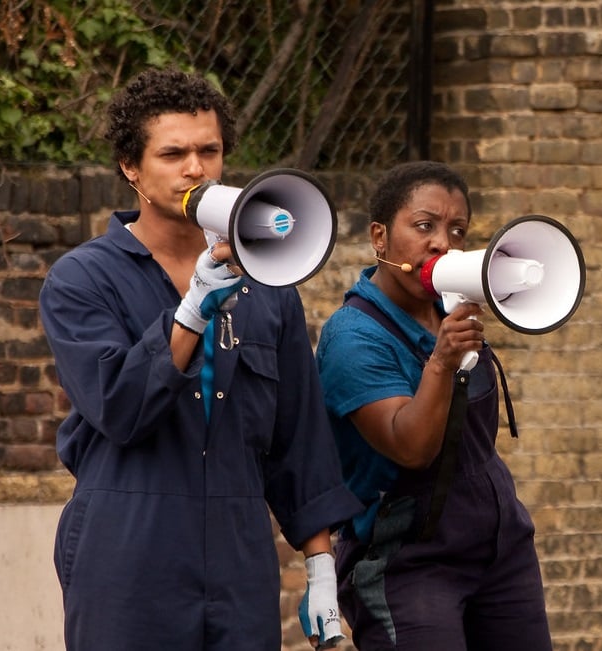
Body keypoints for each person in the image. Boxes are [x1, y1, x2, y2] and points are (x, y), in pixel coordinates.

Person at [39, 68, 362, 651]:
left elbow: (299, 439)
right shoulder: (81, 280)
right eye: (173, 153)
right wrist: (192, 311)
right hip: (130, 544)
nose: (196, 169)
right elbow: (121, 407)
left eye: (209, 151)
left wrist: (321, 573)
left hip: (239, 553)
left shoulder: (269, 285)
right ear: (130, 167)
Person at [314, 161, 553, 651]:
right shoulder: (353, 337)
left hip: (500, 552)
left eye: (457, 229)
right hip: (408, 566)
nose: (443, 242)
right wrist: (442, 362)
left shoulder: (447, 312)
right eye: (424, 226)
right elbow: (411, 447)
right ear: (380, 238)